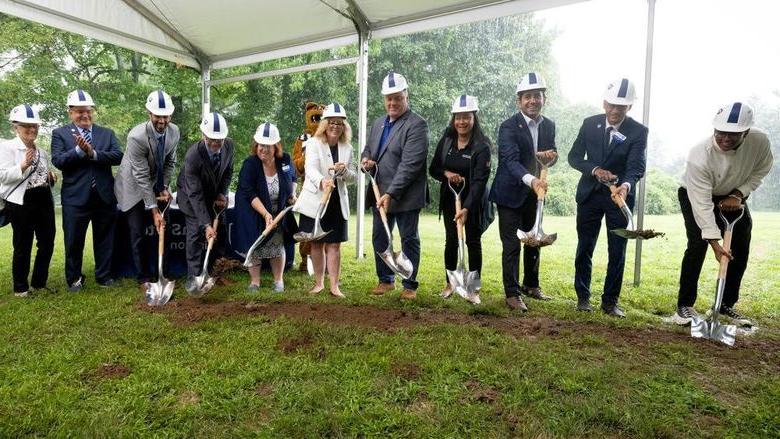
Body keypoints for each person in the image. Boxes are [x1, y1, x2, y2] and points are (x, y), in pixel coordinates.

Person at [671, 102, 773, 327]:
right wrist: (716, 246)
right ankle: (684, 306)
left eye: (733, 134)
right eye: (721, 132)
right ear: (713, 129)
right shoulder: (700, 155)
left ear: (746, 133)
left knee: (741, 245)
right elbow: (703, 207)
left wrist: (738, 194)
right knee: (698, 244)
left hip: (734, 195)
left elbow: (762, 169)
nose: (725, 138)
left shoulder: (760, 142)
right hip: (695, 194)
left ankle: (726, 305)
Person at [567, 78, 648, 317]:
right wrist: (594, 170)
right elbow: (574, 157)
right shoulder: (589, 124)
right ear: (604, 103)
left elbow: (636, 167)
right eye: (611, 105)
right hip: (589, 196)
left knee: (617, 250)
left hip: (618, 200)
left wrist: (625, 185)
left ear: (629, 108)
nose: (614, 111)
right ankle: (583, 298)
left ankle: (610, 302)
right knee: (585, 247)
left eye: (621, 107)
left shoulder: (638, 131)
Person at [489, 73, 558, 312]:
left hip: (534, 195)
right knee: (512, 244)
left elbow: (551, 154)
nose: (532, 101)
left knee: (535, 240)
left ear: (544, 99)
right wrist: (532, 181)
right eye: (527, 97)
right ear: (519, 101)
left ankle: (531, 285)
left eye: (537, 96)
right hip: (510, 193)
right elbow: (510, 160)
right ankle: (512, 293)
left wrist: (551, 157)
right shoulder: (508, 126)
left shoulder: (549, 125)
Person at [361, 71, 429, 300]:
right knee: (380, 237)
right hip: (379, 191)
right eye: (389, 98)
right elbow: (369, 150)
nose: (392, 102)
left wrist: (391, 193)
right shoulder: (378, 123)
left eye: (397, 97)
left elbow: (411, 164)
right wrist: (365, 161)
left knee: (409, 238)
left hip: (404, 194)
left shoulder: (417, 124)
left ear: (406, 96)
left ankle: (409, 285)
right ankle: (385, 280)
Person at [51, 89, 123, 292]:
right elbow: (58, 161)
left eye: (88, 111)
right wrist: (78, 151)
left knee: (104, 239)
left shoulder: (106, 133)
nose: (85, 115)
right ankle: (74, 279)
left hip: (103, 196)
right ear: (70, 112)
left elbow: (118, 155)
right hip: (75, 199)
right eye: (79, 111)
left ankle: (104, 276)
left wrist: (93, 153)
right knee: (73, 241)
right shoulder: (60, 134)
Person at [114, 90, 179, 293]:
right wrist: (153, 209)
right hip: (133, 184)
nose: (161, 120)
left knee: (164, 228)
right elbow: (140, 175)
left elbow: (170, 162)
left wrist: (165, 187)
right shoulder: (136, 137)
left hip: (156, 183)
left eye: (165, 115)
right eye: (157, 115)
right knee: (137, 232)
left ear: (170, 115)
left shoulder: (174, 131)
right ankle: (143, 277)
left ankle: (164, 273)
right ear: (149, 113)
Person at [429, 95, 491, 299]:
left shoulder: (482, 146)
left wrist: (467, 208)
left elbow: (480, 181)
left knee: (472, 241)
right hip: (450, 199)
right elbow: (434, 169)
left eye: (466, 117)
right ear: (453, 119)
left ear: (474, 118)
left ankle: (473, 288)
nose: (461, 122)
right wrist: (447, 174)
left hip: (473, 200)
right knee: (451, 240)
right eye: (458, 117)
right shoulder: (447, 141)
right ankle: (450, 283)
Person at [294, 103, 356, 298]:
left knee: (334, 245)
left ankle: (334, 286)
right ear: (325, 124)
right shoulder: (313, 143)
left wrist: (344, 171)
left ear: (344, 126)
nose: (335, 126)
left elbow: (353, 176)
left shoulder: (347, 147)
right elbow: (310, 169)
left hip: (337, 201)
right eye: (331, 122)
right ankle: (319, 283)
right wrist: (322, 181)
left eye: (339, 123)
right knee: (316, 244)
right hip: (316, 200)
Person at [0, 105, 57, 297]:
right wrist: (22, 166)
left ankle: (40, 282)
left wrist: (49, 177)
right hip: (21, 201)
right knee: (23, 244)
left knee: (47, 241)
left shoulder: (42, 151)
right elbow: (2, 176)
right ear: (15, 127)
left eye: (35, 126)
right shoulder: (6, 147)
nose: (32, 129)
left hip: (43, 198)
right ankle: (21, 288)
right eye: (26, 126)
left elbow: (40, 174)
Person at [234, 122, 296, 293]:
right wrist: (266, 214)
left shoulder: (285, 160)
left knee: (278, 243)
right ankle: (255, 282)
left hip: (278, 209)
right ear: (256, 145)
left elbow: (293, 177)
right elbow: (249, 193)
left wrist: (292, 194)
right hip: (253, 210)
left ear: (276, 146)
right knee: (255, 242)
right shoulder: (250, 164)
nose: (264, 149)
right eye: (261, 145)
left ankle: (278, 281)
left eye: (268, 145)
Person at [177, 112, 234, 294]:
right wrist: (206, 225)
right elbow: (195, 194)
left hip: (214, 194)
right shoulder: (193, 156)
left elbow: (227, 172)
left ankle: (217, 272)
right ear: (203, 136)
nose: (216, 143)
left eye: (220, 139)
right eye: (212, 139)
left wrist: (221, 193)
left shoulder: (229, 146)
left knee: (221, 230)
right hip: (190, 195)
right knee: (195, 232)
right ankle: (194, 277)